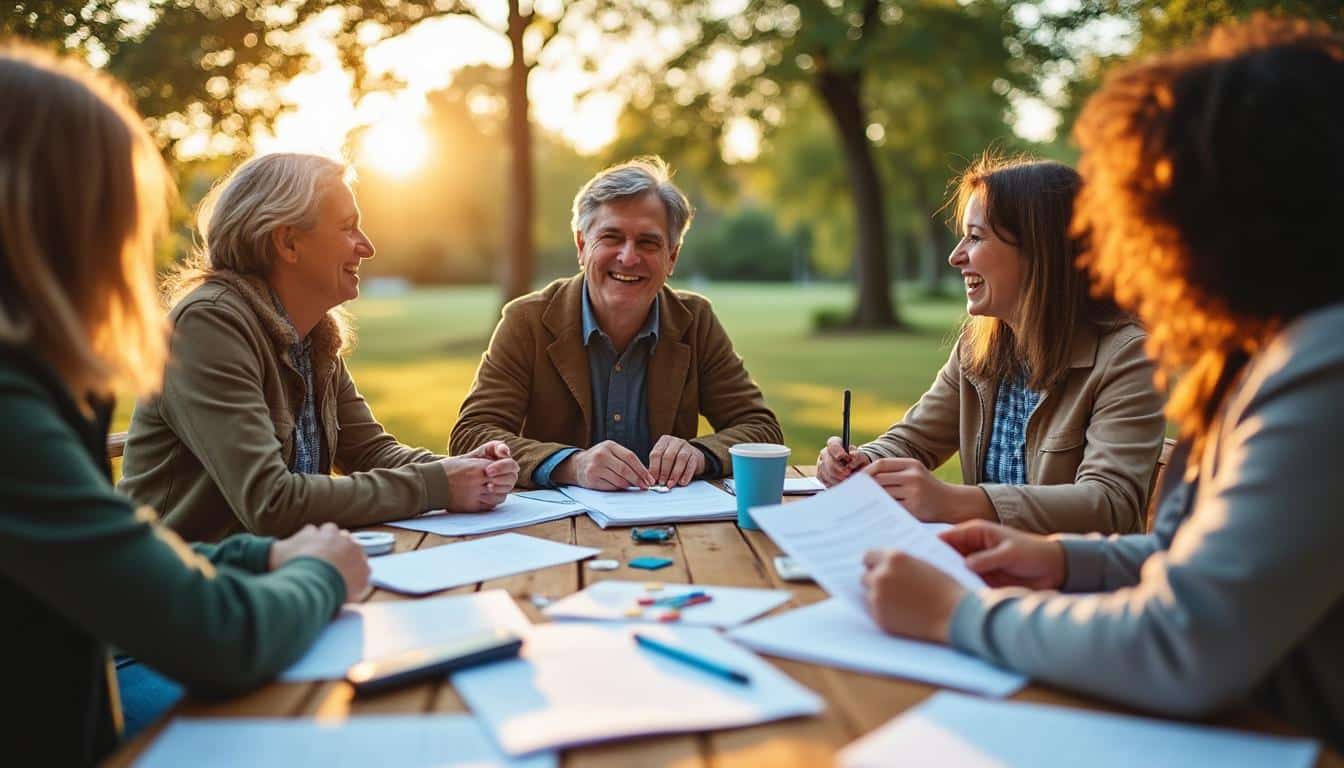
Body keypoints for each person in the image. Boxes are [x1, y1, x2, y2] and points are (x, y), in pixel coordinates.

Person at [861, 16, 1344, 750]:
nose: (1127, 243)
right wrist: (1058, 558)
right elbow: (1192, 561)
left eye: (1152, 204)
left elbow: (1183, 639)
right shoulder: (1265, 352)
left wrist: (952, 613)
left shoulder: (1321, 366)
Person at [0, 44, 370, 764]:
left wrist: (263, 556)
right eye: (121, 214)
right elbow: (214, 635)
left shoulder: (35, 384)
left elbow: (117, 554)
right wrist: (320, 572)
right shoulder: (12, 410)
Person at [118, 153, 519, 542]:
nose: (366, 247)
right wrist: (439, 484)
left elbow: (371, 451)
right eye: (348, 228)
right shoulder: (208, 326)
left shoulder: (312, 334)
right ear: (288, 242)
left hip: (275, 569)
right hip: (184, 587)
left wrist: (463, 469)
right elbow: (271, 502)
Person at [818, 157, 1166, 534]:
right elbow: (915, 439)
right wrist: (862, 460)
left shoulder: (1128, 356)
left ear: (1039, 250)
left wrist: (956, 501)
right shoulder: (980, 345)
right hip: (989, 570)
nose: (956, 256)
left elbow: (1109, 503)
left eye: (976, 236)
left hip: (1075, 586)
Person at [451, 156, 783, 490]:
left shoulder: (695, 321)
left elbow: (760, 428)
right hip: (558, 531)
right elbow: (472, 435)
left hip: (673, 529)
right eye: (611, 237)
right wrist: (572, 465)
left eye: (648, 242)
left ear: (672, 257)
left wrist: (700, 454)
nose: (628, 257)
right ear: (582, 246)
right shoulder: (527, 321)